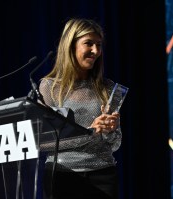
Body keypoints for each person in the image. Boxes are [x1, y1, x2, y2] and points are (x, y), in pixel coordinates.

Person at [39, 18, 122, 199]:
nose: (96, 51)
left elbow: (115, 144)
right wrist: (90, 132)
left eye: (99, 45)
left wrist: (109, 130)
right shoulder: (49, 87)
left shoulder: (108, 88)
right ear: (71, 45)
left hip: (103, 176)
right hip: (62, 177)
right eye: (88, 44)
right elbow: (44, 143)